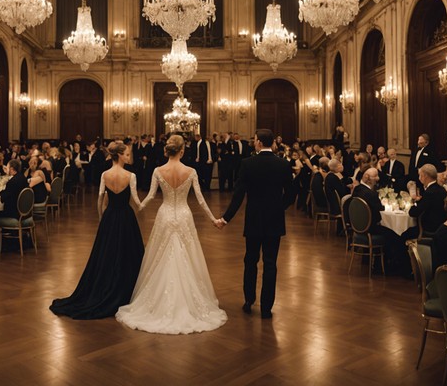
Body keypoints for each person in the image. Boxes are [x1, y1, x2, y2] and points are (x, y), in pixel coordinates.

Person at [116, 134, 227, 333]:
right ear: (182, 150)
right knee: (187, 256)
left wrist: (139, 206)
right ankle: (190, 301)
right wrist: (214, 220)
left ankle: (155, 302)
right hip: (184, 216)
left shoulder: (158, 171)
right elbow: (201, 200)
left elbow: (150, 196)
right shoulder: (191, 171)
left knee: (161, 256)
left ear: (167, 150)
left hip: (165, 215)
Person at [51, 141, 144, 319]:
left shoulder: (105, 175)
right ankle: (129, 288)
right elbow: (136, 202)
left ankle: (105, 285)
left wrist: (102, 218)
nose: (128, 156)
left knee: (106, 255)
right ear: (120, 155)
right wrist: (145, 204)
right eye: (126, 154)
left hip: (109, 218)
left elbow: (100, 200)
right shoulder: (130, 176)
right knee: (128, 254)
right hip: (126, 217)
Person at [218, 128, 293, 320]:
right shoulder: (283, 164)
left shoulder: (247, 164)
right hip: (274, 221)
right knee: (270, 263)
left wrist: (225, 218)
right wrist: (278, 208)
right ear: (272, 143)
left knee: (250, 261)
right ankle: (267, 307)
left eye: (255, 140)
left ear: (259, 143)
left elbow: (238, 195)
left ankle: (249, 300)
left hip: (253, 220)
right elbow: (292, 194)